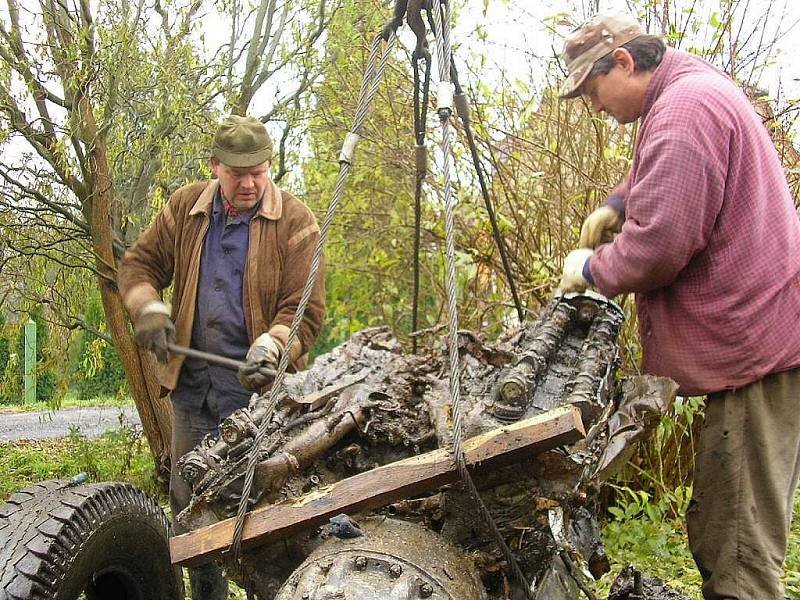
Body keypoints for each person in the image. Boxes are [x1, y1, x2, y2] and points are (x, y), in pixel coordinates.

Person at [556, 12, 800, 600]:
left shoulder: (684, 112)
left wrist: (590, 269)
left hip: (752, 351)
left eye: (592, 90)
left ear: (623, 62)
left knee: (737, 554)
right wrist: (617, 203)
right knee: (725, 529)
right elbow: (669, 176)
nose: (594, 107)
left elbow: (660, 247)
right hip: (754, 345)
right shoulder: (688, 89)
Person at [118, 115, 325, 599]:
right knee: (191, 505)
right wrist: (148, 307)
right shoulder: (186, 208)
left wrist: (273, 344)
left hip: (256, 396)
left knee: (261, 511)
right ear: (215, 167)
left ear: (270, 165)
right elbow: (139, 264)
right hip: (192, 390)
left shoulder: (296, 223)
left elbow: (304, 310)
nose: (250, 182)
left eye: (259, 170)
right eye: (237, 172)